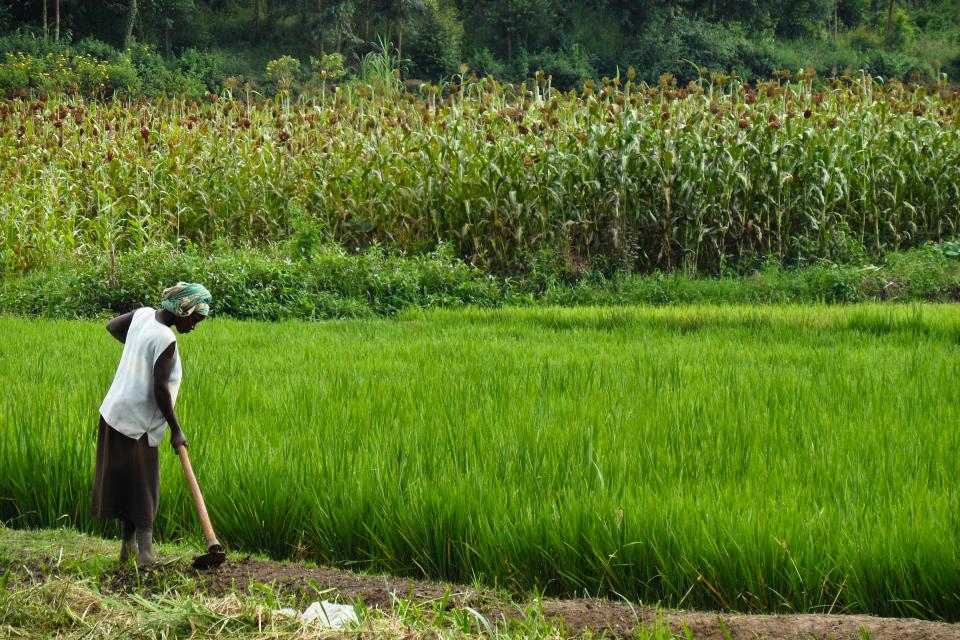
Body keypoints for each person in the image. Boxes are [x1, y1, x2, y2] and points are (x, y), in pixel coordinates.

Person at [90, 282, 212, 567]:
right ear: (182, 309)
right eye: (194, 318)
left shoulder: (143, 316)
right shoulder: (165, 340)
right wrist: (176, 429)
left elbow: (112, 326)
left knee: (127, 484)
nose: (194, 325)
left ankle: (127, 549)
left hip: (113, 412)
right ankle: (145, 554)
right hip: (137, 423)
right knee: (145, 486)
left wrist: (137, 348)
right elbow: (160, 390)